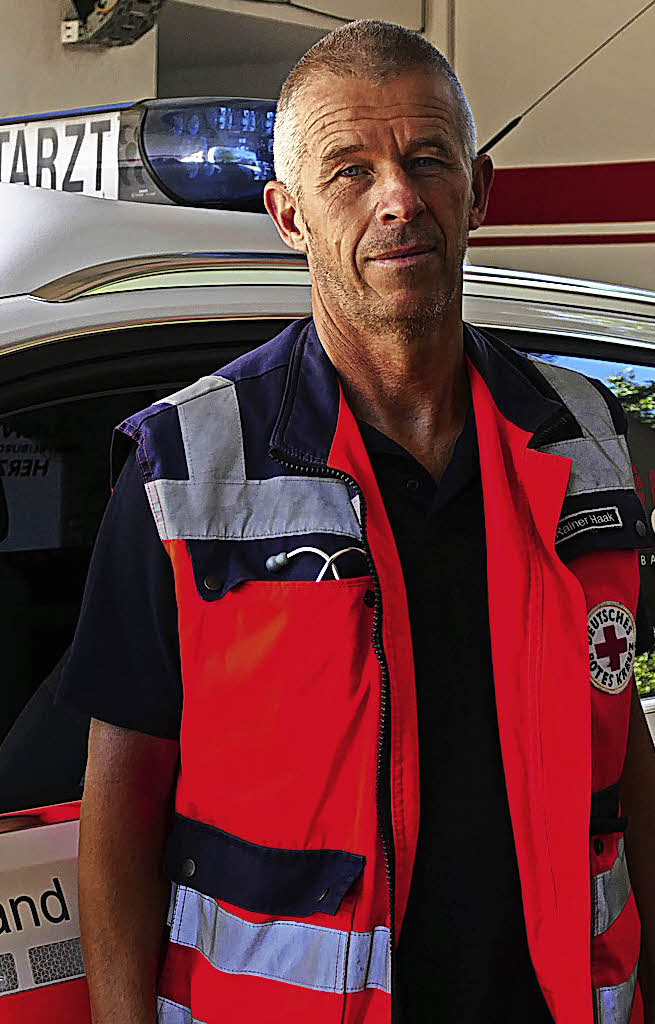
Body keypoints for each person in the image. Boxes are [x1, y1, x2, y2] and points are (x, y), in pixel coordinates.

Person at [58, 19, 655, 1024]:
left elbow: (620, 733)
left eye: (428, 159)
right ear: (287, 215)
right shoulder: (183, 465)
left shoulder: (583, 434)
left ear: (479, 189)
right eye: (349, 170)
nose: (398, 198)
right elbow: (121, 804)